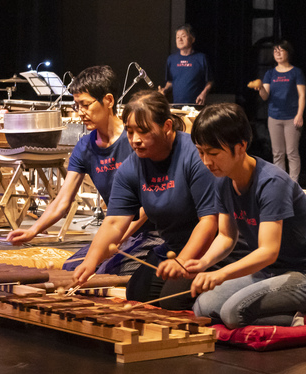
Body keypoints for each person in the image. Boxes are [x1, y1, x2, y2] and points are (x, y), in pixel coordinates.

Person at [180, 103, 306, 328]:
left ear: (241, 146)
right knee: (202, 307)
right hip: (270, 272)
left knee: (233, 314)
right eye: (201, 152)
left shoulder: (272, 183)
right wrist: (203, 263)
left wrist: (221, 273)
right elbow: (226, 236)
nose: (206, 161)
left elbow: (268, 251)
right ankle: (289, 310)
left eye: (213, 153)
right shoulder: (223, 181)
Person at [71, 90, 220, 308]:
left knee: (173, 299)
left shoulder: (195, 156)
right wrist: (90, 261)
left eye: (144, 131)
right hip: (173, 247)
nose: (135, 140)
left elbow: (209, 222)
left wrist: (181, 262)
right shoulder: (131, 167)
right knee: (137, 293)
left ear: (167, 126)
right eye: (130, 132)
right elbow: (114, 222)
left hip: (212, 249)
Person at [6, 65, 157, 275]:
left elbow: (150, 204)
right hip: (118, 232)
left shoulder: (134, 140)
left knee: (105, 270)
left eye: (85, 105)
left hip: (150, 233)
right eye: (76, 106)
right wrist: (33, 230)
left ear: (109, 100)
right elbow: (62, 200)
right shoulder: (85, 146)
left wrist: (117, 240)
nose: (80, 112)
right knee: (72, 268)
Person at [248, 40, 306, 183]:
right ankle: (281, 182)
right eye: (275, 51)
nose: (278, 53)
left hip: (292, 117)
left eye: (281, 50)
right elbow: (265, 96)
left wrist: (299, 114)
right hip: (274, 116)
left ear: (288, 52)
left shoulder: (296, 72)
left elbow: (302, 95)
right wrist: (260, 88)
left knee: (292, 152)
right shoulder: (270, 73)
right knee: (278, 153)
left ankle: (293, 183)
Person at [162, 24, 213, 105]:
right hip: (177, 105)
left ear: (192, 39)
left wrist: (203, 93)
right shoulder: (171, 59)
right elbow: (170, 82)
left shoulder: (201, 58)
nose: (180, 39)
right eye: (177, 37)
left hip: (196, 105)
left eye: (183, 36)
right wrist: (165, 89)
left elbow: (210, 81)